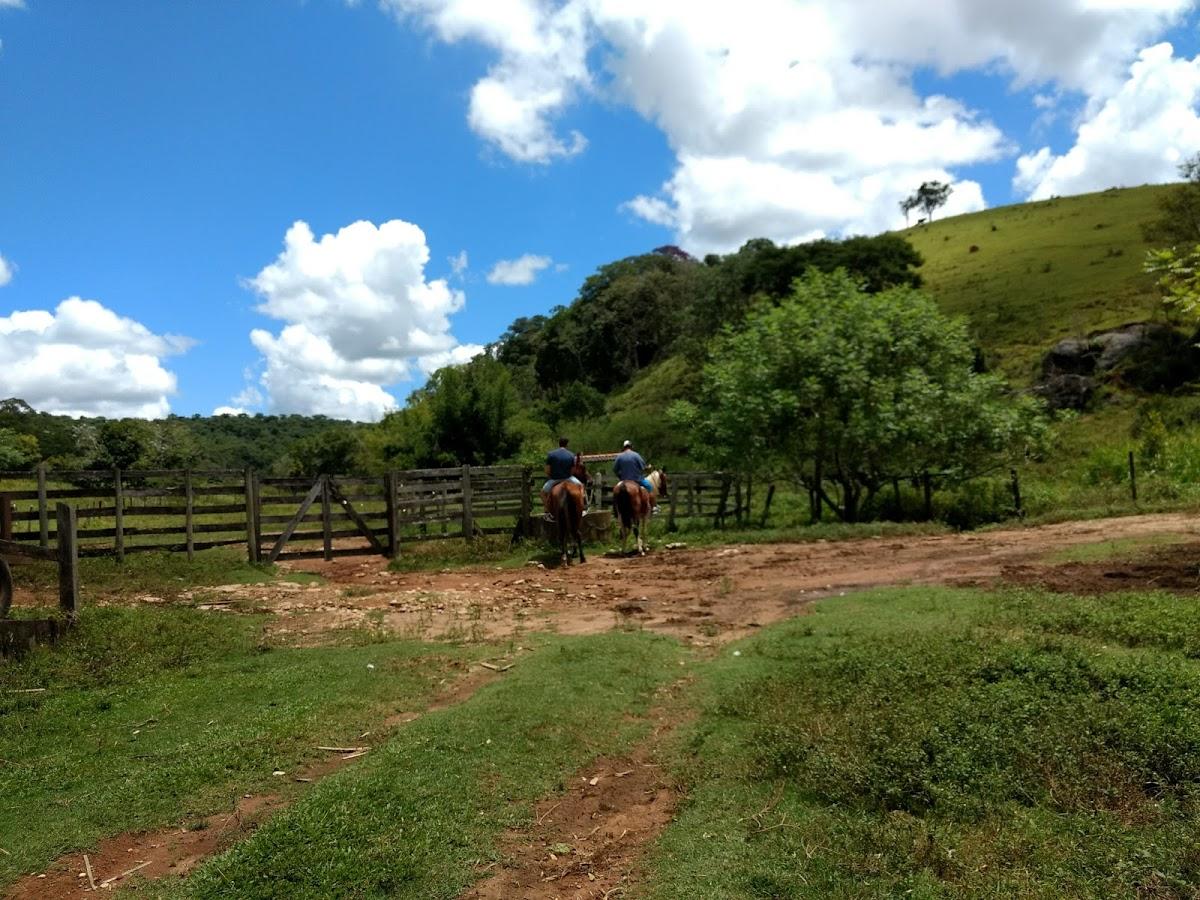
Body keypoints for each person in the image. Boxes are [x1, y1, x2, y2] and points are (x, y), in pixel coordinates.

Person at [542, 436, 585, 521]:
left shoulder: (551, 454)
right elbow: (572, 471)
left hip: (554, 479)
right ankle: (582, 508)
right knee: (581, 486)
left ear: (559, 444)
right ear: (567, 444)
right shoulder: (571, 455)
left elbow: (547, 470)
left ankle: (547, 512)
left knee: (543, 493)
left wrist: (552, 476)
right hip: (568, 478)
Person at [612, 439, 659, 514]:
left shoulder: (619, 456)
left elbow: (615, 469)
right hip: (637, 479)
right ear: (631, 447)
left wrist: (620, 477)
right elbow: (643, 468)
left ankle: (615, 508)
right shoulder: (636, 455)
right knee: (649, 487)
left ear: (624, 447)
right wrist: (649, 468)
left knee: (616, 491)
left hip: (624, 480)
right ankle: (654, 507)